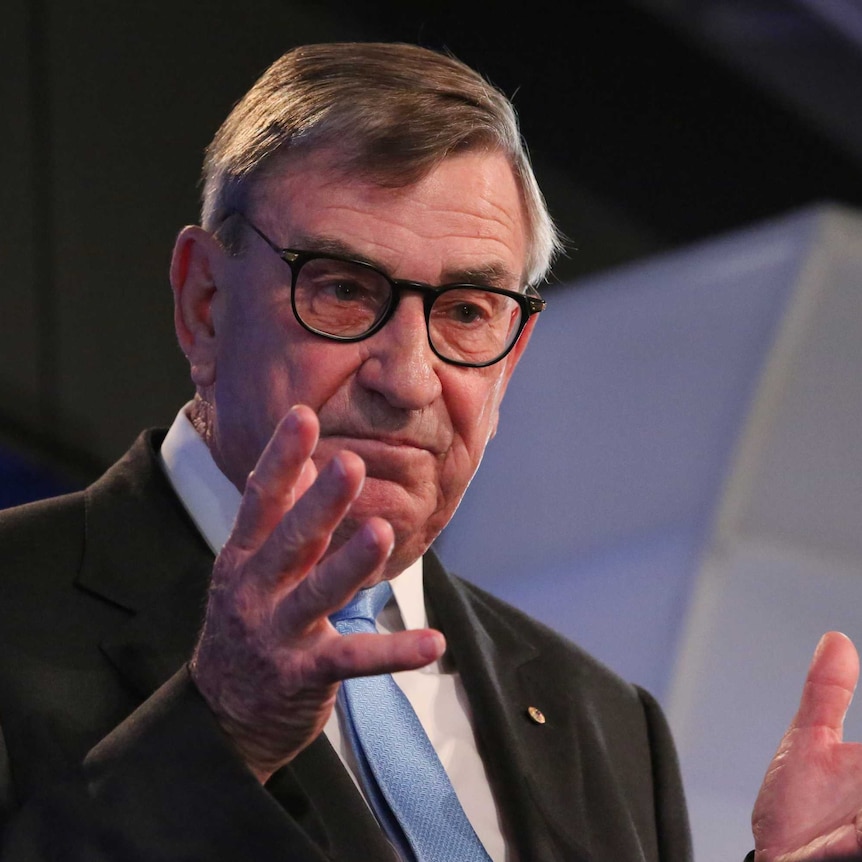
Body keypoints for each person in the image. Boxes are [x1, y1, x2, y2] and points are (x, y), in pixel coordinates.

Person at [0, 41, 859, 862]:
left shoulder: (605, 720)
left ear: (512, 358)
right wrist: (223, 728)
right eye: (340, 289)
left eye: (467, 311)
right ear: (205, 303)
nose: (408, 378)